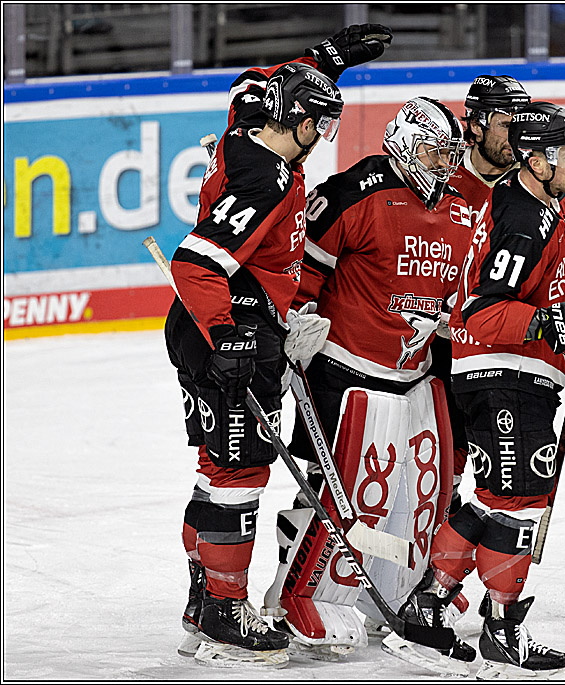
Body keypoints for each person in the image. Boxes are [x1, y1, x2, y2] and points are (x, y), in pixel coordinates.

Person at [165, 23, 391, 667]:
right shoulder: (266, 178)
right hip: (227, 332)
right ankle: (225, 615)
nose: (324, 137)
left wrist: (325, 62)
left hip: (217, 327)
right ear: (293, 120)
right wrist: (231, 337)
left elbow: (255, 88)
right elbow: (197, 263)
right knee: (240, 471)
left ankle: (206, 599)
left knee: (218, 470)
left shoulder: (248, 133)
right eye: (318, 123)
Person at [263, 95, 477, 669]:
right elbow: (296, 272)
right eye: (435, 152)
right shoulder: (352, 193)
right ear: (404, 143)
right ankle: (299, 593)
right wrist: (291, 332)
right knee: (347, 492)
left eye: (451, 154)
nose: (444, 164)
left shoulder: (460, 208)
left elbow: (460, 289)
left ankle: (401, 593)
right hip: (346, 372)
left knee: (422, 492)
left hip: (418, 375)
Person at [394, 102, 565, 680]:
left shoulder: (547, 205)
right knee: (520, 501)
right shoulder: (519, 214)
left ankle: (429, 604)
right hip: (505, 371)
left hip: (512, 372)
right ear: (535, 159)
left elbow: (551, 289)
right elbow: (482, 307)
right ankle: (503, 629)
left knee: (487, 499)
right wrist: (550, 325)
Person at [434, 74, 532, 519]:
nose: (517, 133)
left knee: (503, 482)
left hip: (501, 353)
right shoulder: (436, 176)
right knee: (435, 471)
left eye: (522, 122)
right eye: (504, 122)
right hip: (433, 349)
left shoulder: (537, 185)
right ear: (474, 124)